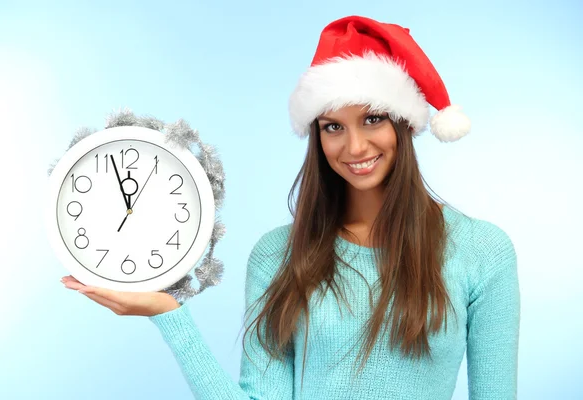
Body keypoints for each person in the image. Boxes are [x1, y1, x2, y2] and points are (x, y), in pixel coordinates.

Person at [62, 15, 520, 400]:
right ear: (316, 136)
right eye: (332, 126)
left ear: (403, 123)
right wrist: (168, 313)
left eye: (373, 119)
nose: (355, 145)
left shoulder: (482, 251)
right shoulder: (278, 255)